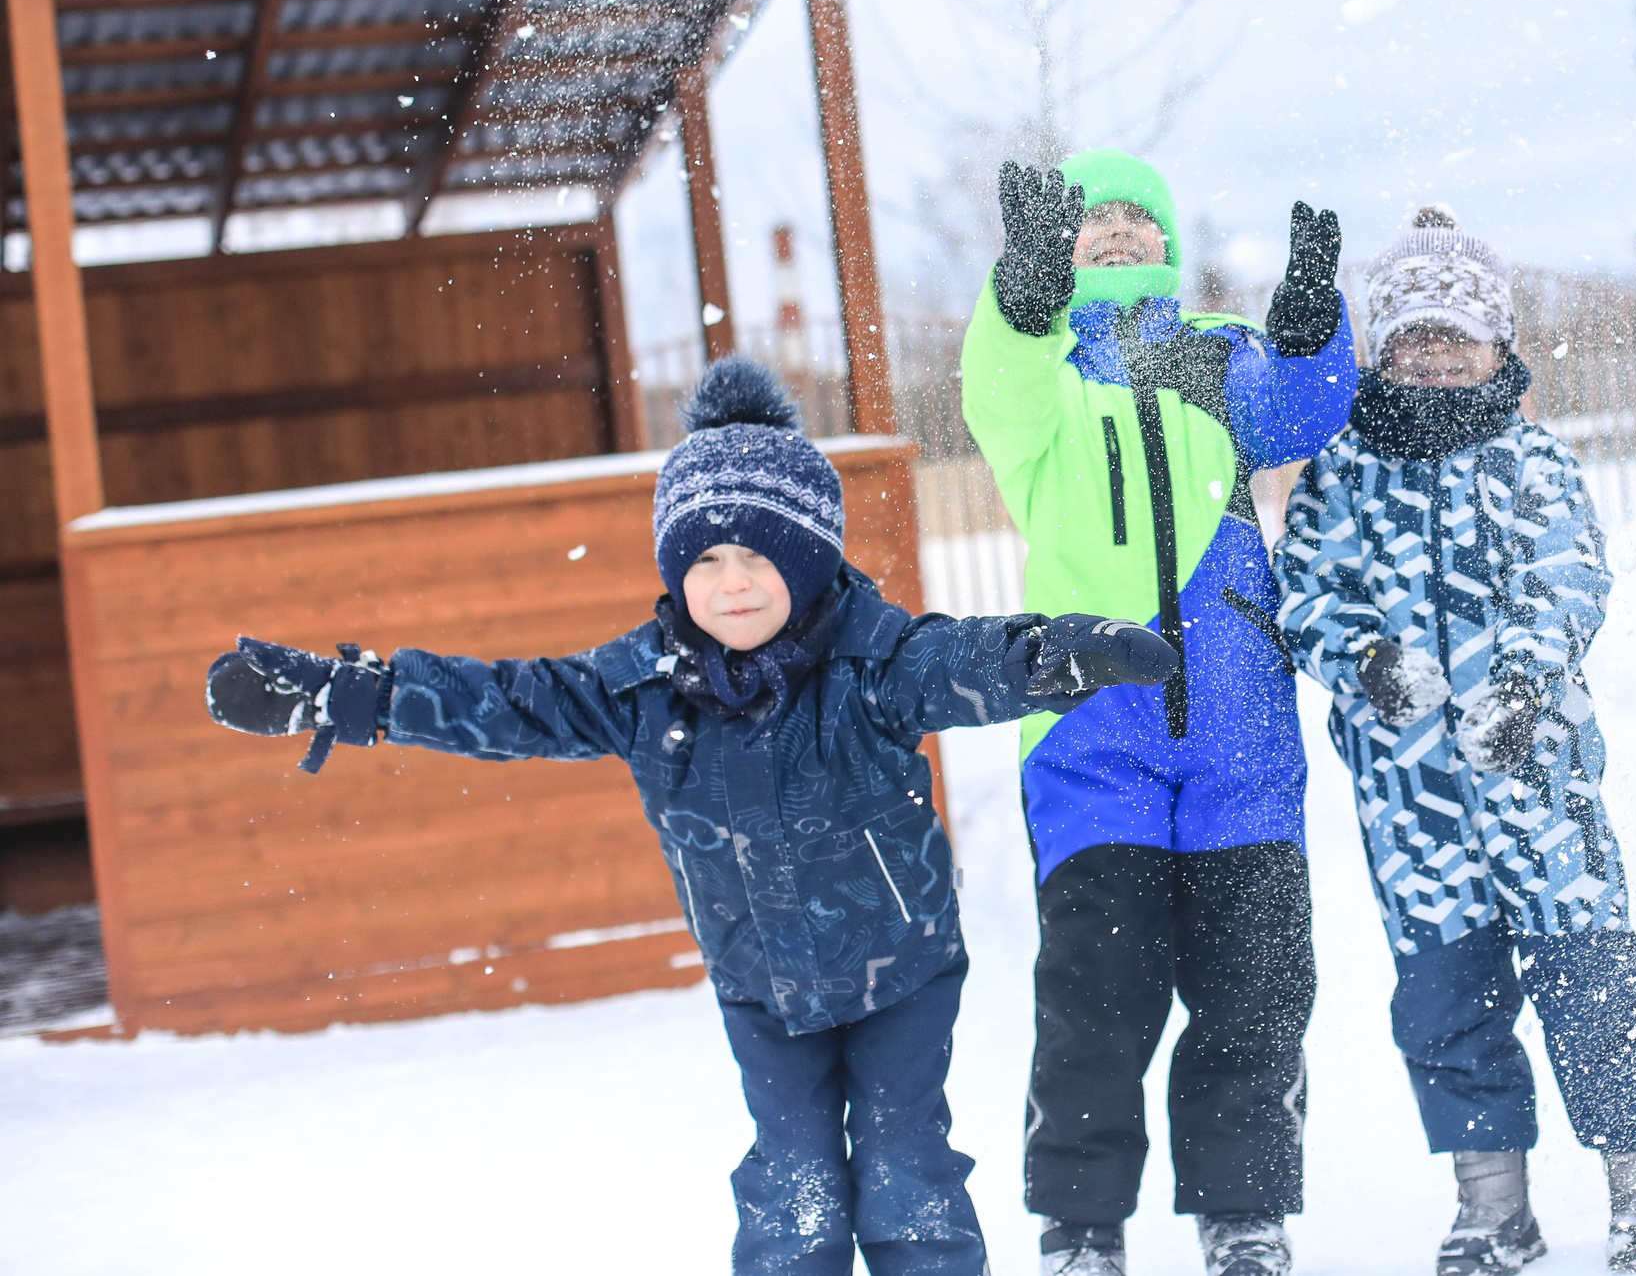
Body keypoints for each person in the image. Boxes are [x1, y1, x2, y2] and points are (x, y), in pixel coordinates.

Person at [201, 358, 1178, 1276]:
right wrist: (355, 696)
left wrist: (1063, 654)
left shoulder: (875, 660)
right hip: (760, 983)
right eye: (704, 559)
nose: (733, 583)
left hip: (901, 970)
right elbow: (510, 702)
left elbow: (969, 660)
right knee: (792, 1192)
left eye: (759, 554)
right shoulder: (641, 688)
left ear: (808, 560)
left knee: (902, 1174)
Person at [960, 151, 1356, 1276]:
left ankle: (1243, 1213)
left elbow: (1303, 410)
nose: (1120, 231)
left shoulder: (1219, 351)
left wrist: (1313, 318)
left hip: (1240, 737)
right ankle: (1080, 1227)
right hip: (1093, 739)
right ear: (1062, 248)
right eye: (1095, 221)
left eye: (1141, 218)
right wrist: (1024, 290)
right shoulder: (1040, 378)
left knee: (1256, 992)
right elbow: (996, 380)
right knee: (1098, 995)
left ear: (1168, 243)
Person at [1277, 207, 1636, 1276]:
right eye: (1411, 333)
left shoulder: (1532, 462)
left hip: (1537, 780)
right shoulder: (1343, 472)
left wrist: (1523, 677)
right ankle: (1489, 1200)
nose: (1432, 351)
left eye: (1454, 333)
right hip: (1409, 796)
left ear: (1498, 344)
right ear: (1382, 347)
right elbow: (1307, 594)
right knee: (1444, 1003)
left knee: (1593, 982)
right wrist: (1365, 657)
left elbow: (1569, 577)